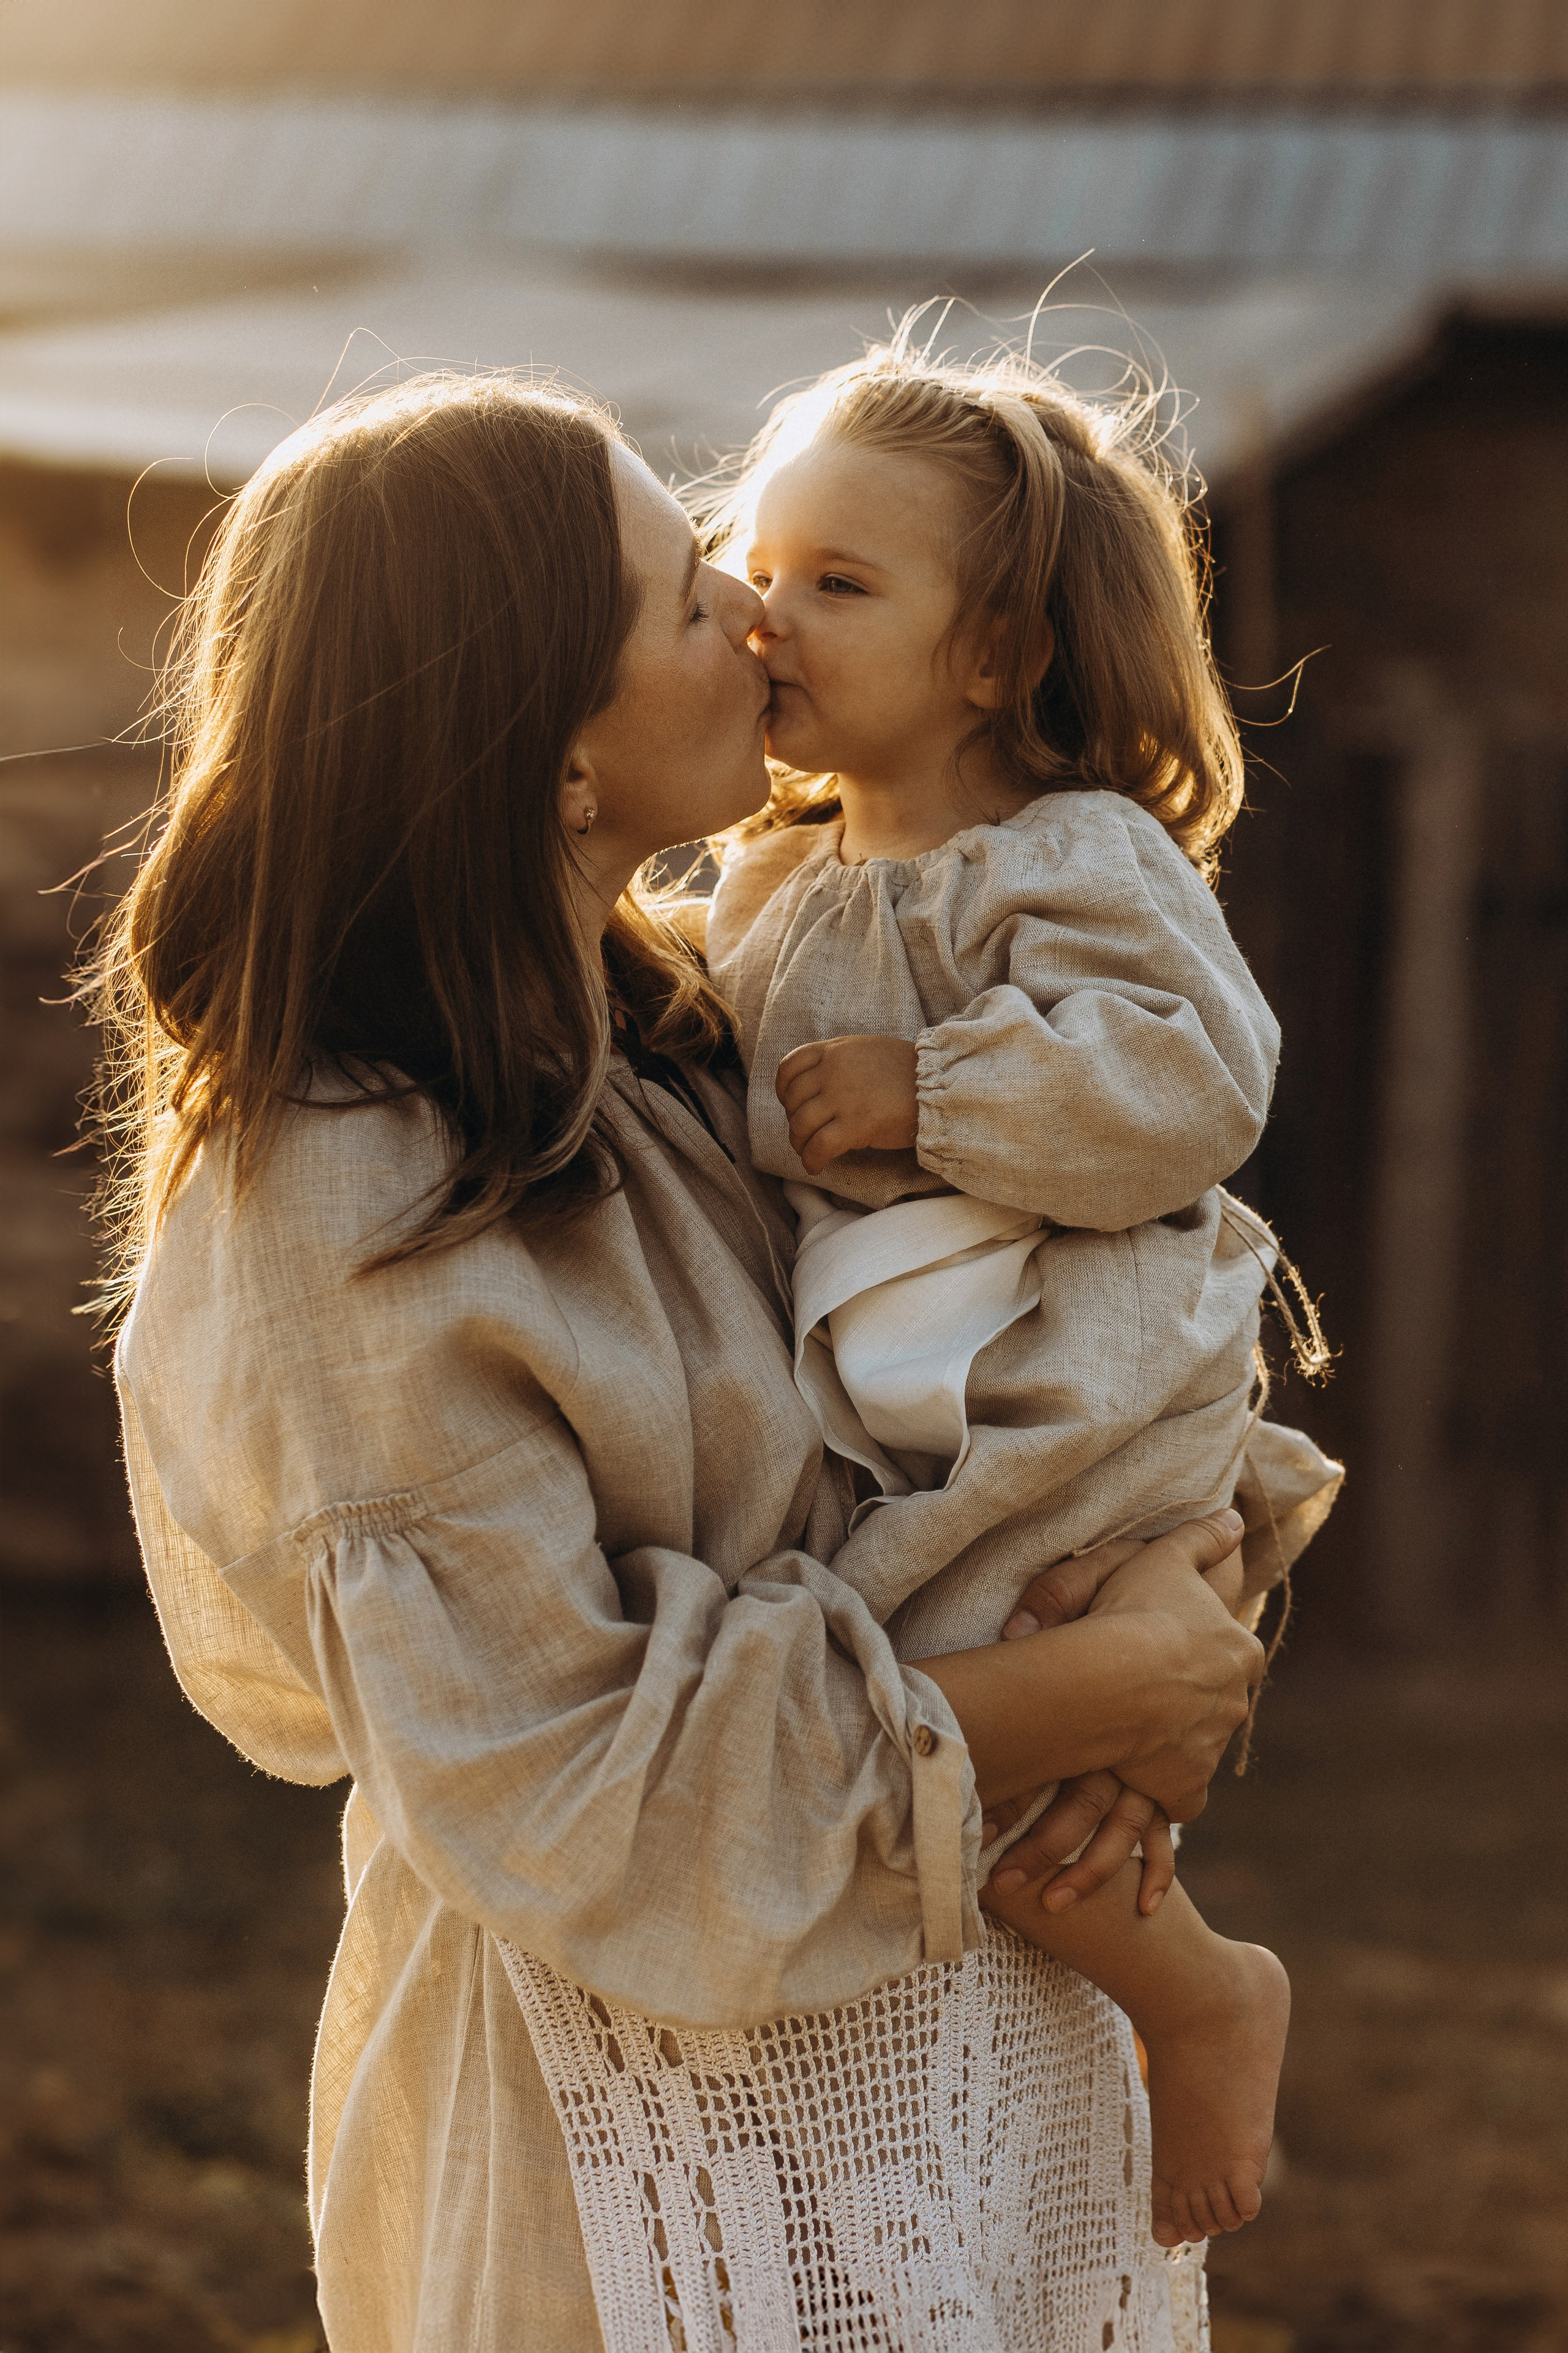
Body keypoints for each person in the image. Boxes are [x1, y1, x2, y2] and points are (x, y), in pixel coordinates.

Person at [96, 370, 1268, 2353]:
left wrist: (1195, 1573)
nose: (748, 615)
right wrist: (1069, 1685)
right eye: (680, 594)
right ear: (548, 744)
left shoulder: (688, 1041)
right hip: (644, 2167)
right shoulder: (336, 1192)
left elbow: (1050, 1337)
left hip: (965, 2093)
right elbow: (568, 1791)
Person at [699, 334, 1343, 2250]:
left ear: (992, 657)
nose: (763, 615)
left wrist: (945, 1086)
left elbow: (1195, 1074)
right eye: (757, 561)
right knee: (926, 1713)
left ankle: (1203, 1988)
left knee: (979, 1712)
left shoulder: (1072, 856)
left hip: (1077, 1384)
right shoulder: (765, 886)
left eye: (839, 583)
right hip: (919, 1391)